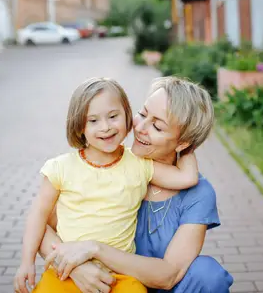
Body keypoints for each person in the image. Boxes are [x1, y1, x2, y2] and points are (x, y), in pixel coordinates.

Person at [34, 76, 234, 293]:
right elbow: (42, 225)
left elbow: (169, 275)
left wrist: (95, 249)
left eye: (157, 126)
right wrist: (75, 267)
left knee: (208, 274)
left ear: (183, 143)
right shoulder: (105, 167)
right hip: (104, 283)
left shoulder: (198, 194)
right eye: (142, 114)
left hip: (153, 287)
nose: (140, 128)